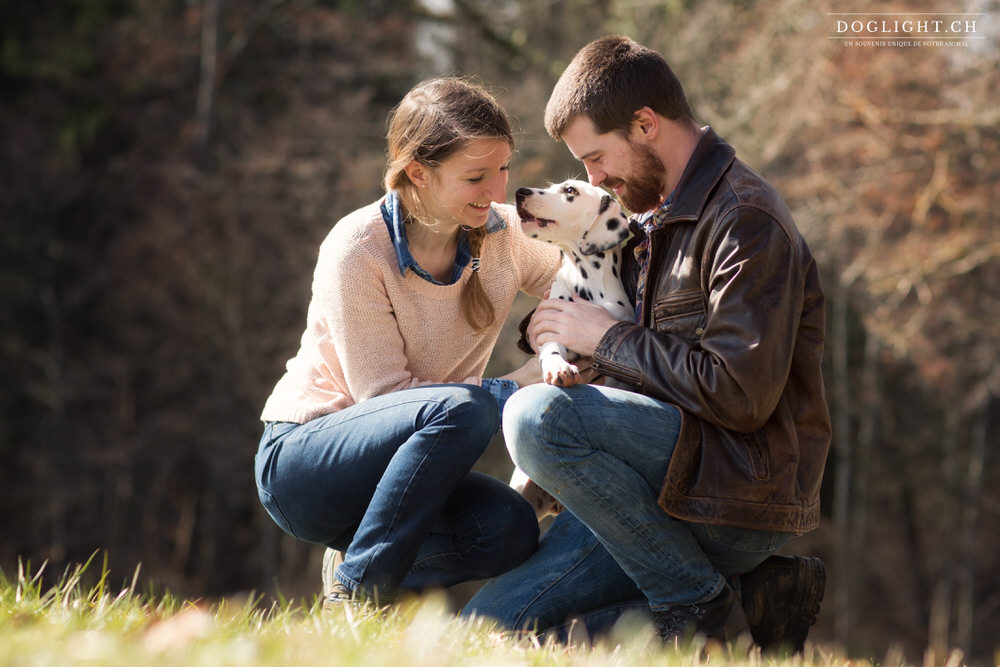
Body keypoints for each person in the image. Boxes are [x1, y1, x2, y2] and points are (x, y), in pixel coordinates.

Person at [463, 36, 831, 651]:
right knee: (476, 635)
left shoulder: (746, 220)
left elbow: (741, 395)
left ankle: (699, 607)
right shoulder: (646, 215)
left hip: (732, 492)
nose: (593, 177)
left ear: (645, 124)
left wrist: (606, 337)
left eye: (596, 157)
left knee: (534, 417)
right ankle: (753, 608)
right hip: (641, 486)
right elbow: (589, 300)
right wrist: (551, 332)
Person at [254, 77, 562, 606]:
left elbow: (581, 280)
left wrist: (562, 326)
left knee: (510, 528)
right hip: (308, 464)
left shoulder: (503, 236)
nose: (496, 190)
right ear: (418, 173)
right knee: (466, 409)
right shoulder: (356, 249)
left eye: (503, 169)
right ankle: (354, 595)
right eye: (475, 176)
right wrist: (517, 386)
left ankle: (355, 561)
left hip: (413, 471)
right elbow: (386, 400)